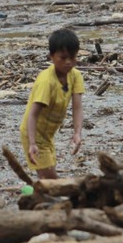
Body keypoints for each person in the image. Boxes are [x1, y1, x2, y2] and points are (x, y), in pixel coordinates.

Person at [20, 28, 84, 179]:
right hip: (33, 133)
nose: (69, 62)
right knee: (52, 179)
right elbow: (33, 114)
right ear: (51, 57)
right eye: (63, 58)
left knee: (47, 177)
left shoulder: (75, 76)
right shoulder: (46, 81)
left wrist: (77, 133)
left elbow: (77, 107)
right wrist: (32, 143)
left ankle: (39, 197)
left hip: (48, 135)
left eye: (72, 57)